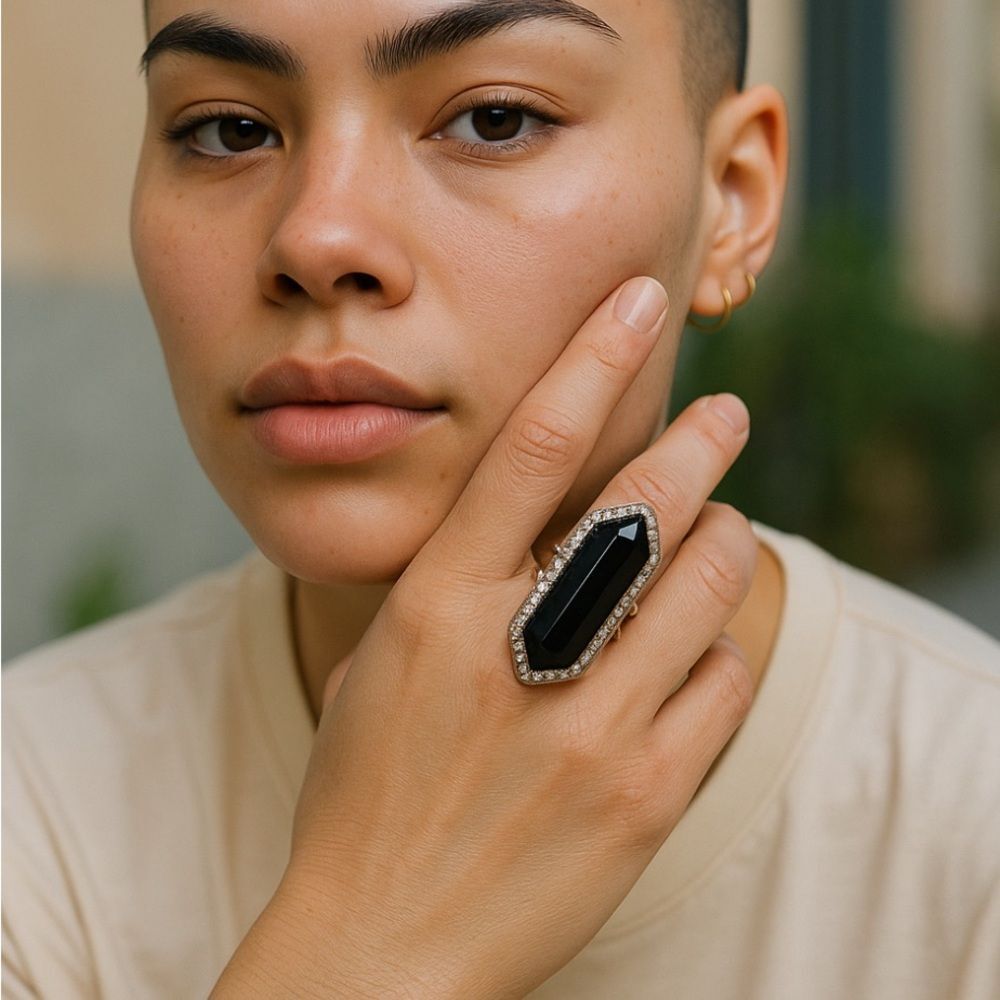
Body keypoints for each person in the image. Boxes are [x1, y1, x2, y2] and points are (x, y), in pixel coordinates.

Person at [3, 0, 998, 997]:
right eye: (228, 129)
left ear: (729, 197)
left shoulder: (968, 807)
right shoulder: (33, 814)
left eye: (494, 119)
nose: (315, 237)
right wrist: (365, 937)